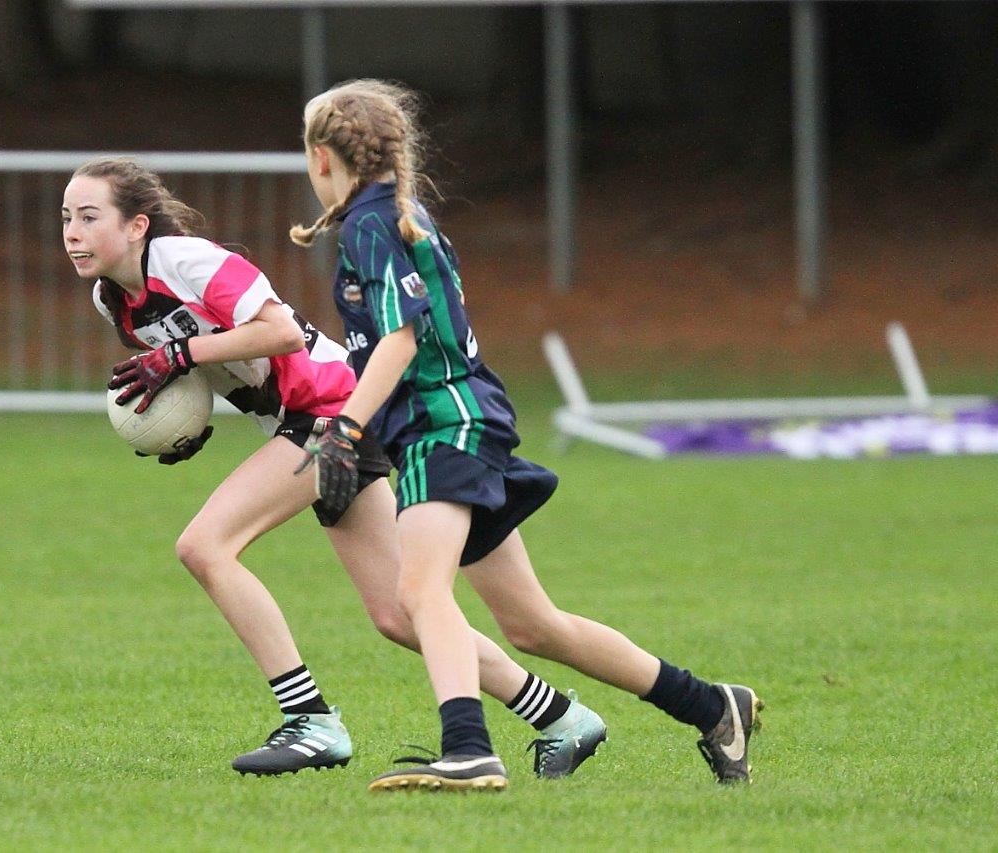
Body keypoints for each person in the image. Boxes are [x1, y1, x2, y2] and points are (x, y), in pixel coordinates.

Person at [61, 157, 610, 781]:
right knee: (398, 616)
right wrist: (190, 424)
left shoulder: (187, 260)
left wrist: (180, 355)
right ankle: (562, 718)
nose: (72, 232)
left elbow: (281, 334)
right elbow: (224, 366)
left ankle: (311, 722)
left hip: (334, 411)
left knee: (206, 546)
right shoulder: (114, 300)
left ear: (137, 226)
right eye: (66, 219)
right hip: (308, 420)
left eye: (88, 217)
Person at [290, 80, 763, 792]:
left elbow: (401, 337)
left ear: (321, 156)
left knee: (420, 590)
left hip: (441, 424)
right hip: (466, 416)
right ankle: (710, 704)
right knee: (533, 625)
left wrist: (346, 427)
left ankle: (468, 746)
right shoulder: (396, 212)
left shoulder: (368, 223)